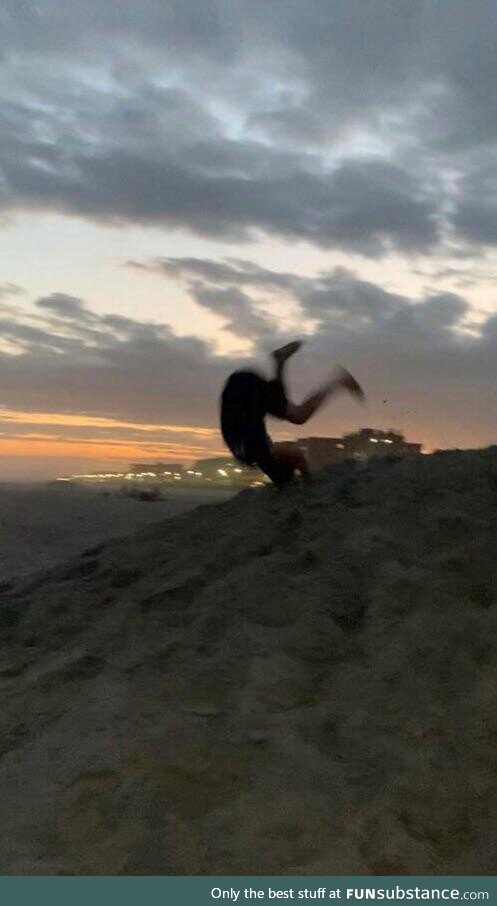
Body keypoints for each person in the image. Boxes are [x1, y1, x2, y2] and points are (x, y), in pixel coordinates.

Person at [220, 340, 364, 485]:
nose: (287, 446)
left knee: (299, 415)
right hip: (237, 389)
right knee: (291, 412)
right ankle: (280, 361)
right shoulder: (253, 456)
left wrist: (307, 478)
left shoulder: (264, 455)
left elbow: (297, 456)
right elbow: (291, 461)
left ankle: (338, 380)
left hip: (243, 396)